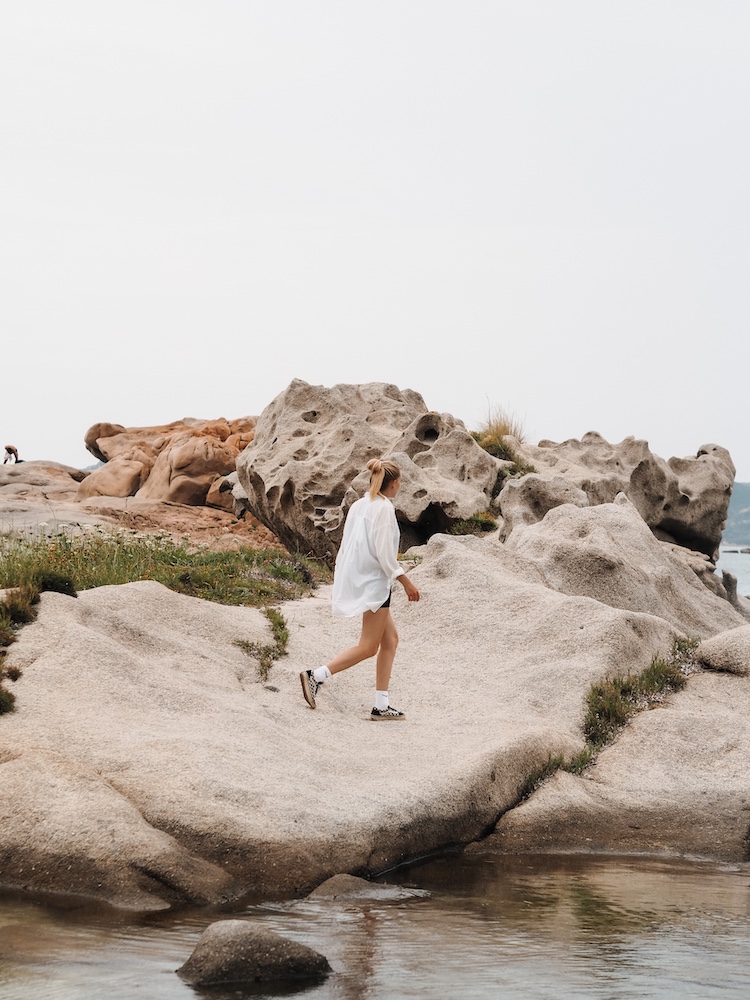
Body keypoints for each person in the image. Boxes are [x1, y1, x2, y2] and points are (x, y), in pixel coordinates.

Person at [300, 458, 420, 720]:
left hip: (361, 579)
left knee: (390, 640)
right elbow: (384, 554)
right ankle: (316, 676)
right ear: (395, 483)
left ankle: (381, 705)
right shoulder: (384, 509)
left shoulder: (359, 505)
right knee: (368, 646)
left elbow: (349, 547)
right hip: (376, 584)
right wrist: (405, 580)